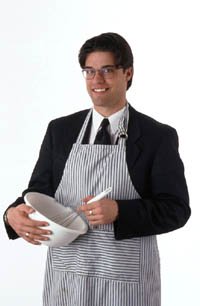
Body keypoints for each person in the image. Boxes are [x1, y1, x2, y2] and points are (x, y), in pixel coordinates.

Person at [3, 32, 190, 306]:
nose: (96, 80)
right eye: (89, 72)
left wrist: (120, 211)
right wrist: (12, 215)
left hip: (126, 285)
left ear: (128, 73)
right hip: (68, 279)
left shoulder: (156, 136)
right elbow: (39, 192)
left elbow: (176, 210)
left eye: (107, 70)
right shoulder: (61, 130)